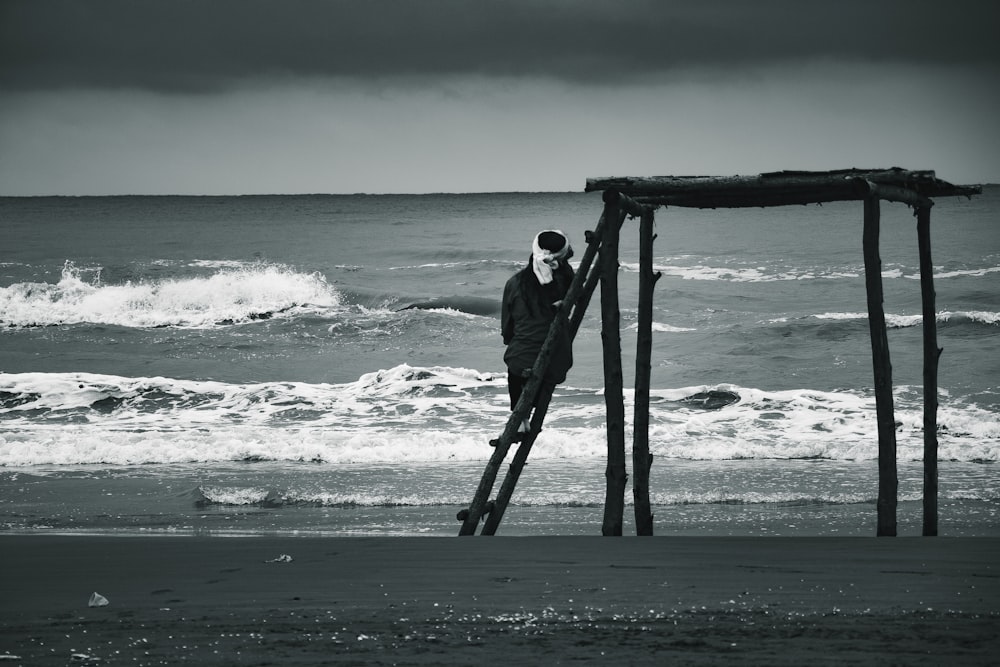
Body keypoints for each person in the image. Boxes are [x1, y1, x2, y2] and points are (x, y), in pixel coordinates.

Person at [500, 229, 575, 440]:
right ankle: (526, 417)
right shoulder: (569, 282)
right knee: (545, 368)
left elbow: (508, 330)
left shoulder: (514, 284)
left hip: (522, 357)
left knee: (516, 361)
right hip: (558, 359)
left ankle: (521, 420)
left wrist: (513, 340)